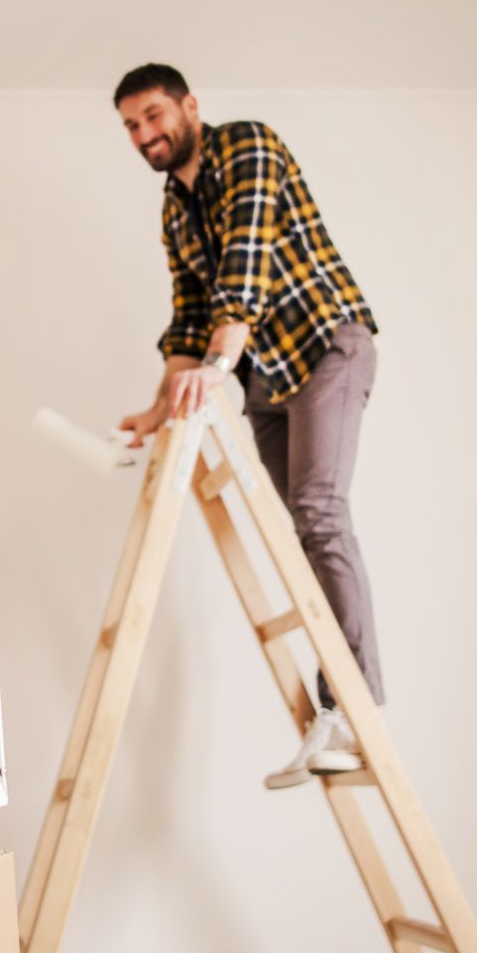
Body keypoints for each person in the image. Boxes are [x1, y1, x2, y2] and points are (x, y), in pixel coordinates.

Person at [112, 64, 383, 791]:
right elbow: (190, 314)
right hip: (264, 376)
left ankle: (355, 714)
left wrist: (216, 364)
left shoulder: (248, 149)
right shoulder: (175, 206)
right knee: (298, 529)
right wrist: (159, 402)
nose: (144, 135)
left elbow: (246, 272)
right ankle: (333, 715)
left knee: (321, 514)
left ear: (190, 106)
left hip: (325, 345)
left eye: (153, 115)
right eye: (131, 126)